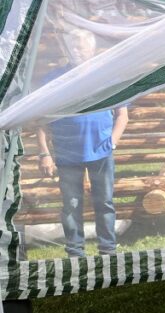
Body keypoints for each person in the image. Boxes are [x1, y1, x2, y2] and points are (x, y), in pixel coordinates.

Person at [37, 29, 128, 257]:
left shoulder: (107, 76)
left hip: (101, 152)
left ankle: (108, 249)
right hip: (66, 154)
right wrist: (44, 153)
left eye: (82, 46)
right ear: (66, 49)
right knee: (71, 205)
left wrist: (112, 143)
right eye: (73, 46)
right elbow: (40, 119)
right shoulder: (54, 80)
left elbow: (122, 114)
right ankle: (75, 252)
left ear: (92, 49)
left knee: (104, 202)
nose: (77, 50)